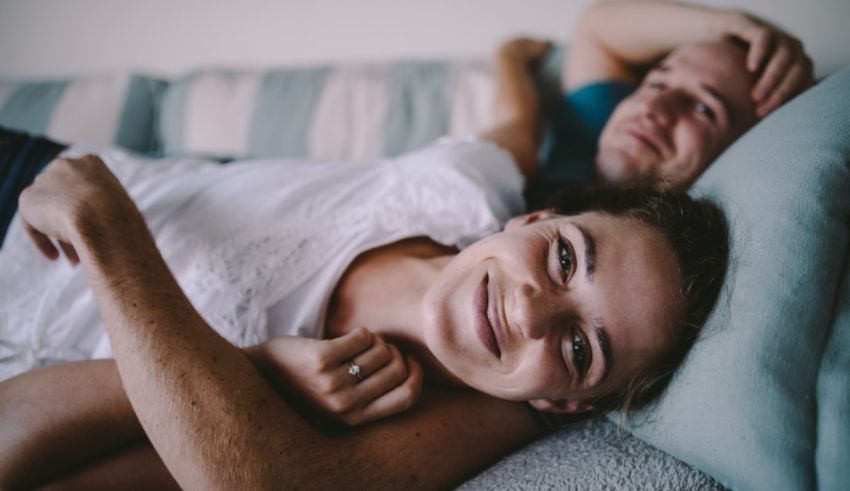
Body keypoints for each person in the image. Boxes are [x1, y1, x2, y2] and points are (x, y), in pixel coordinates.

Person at [516, 0, 813, 197]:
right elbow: (596, 29)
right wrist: (723, 24)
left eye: (703, 109)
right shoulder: (594, 132)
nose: (651, 107)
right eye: (657, 83)